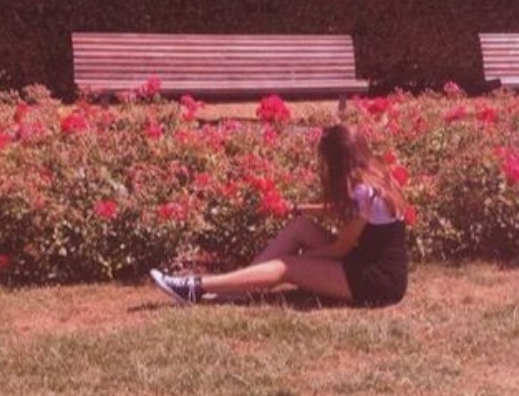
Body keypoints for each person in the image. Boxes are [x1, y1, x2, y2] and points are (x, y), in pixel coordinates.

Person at [149, 124, 409, 308]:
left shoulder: (365, 191)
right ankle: (238, 288)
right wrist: (299, 208)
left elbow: (341, 249)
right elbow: (347, 213)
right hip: (368, 263)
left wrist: (299, 261)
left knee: (286, 267)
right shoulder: (376, 176)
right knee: (301, 226)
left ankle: (195, 287)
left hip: (378, 282)